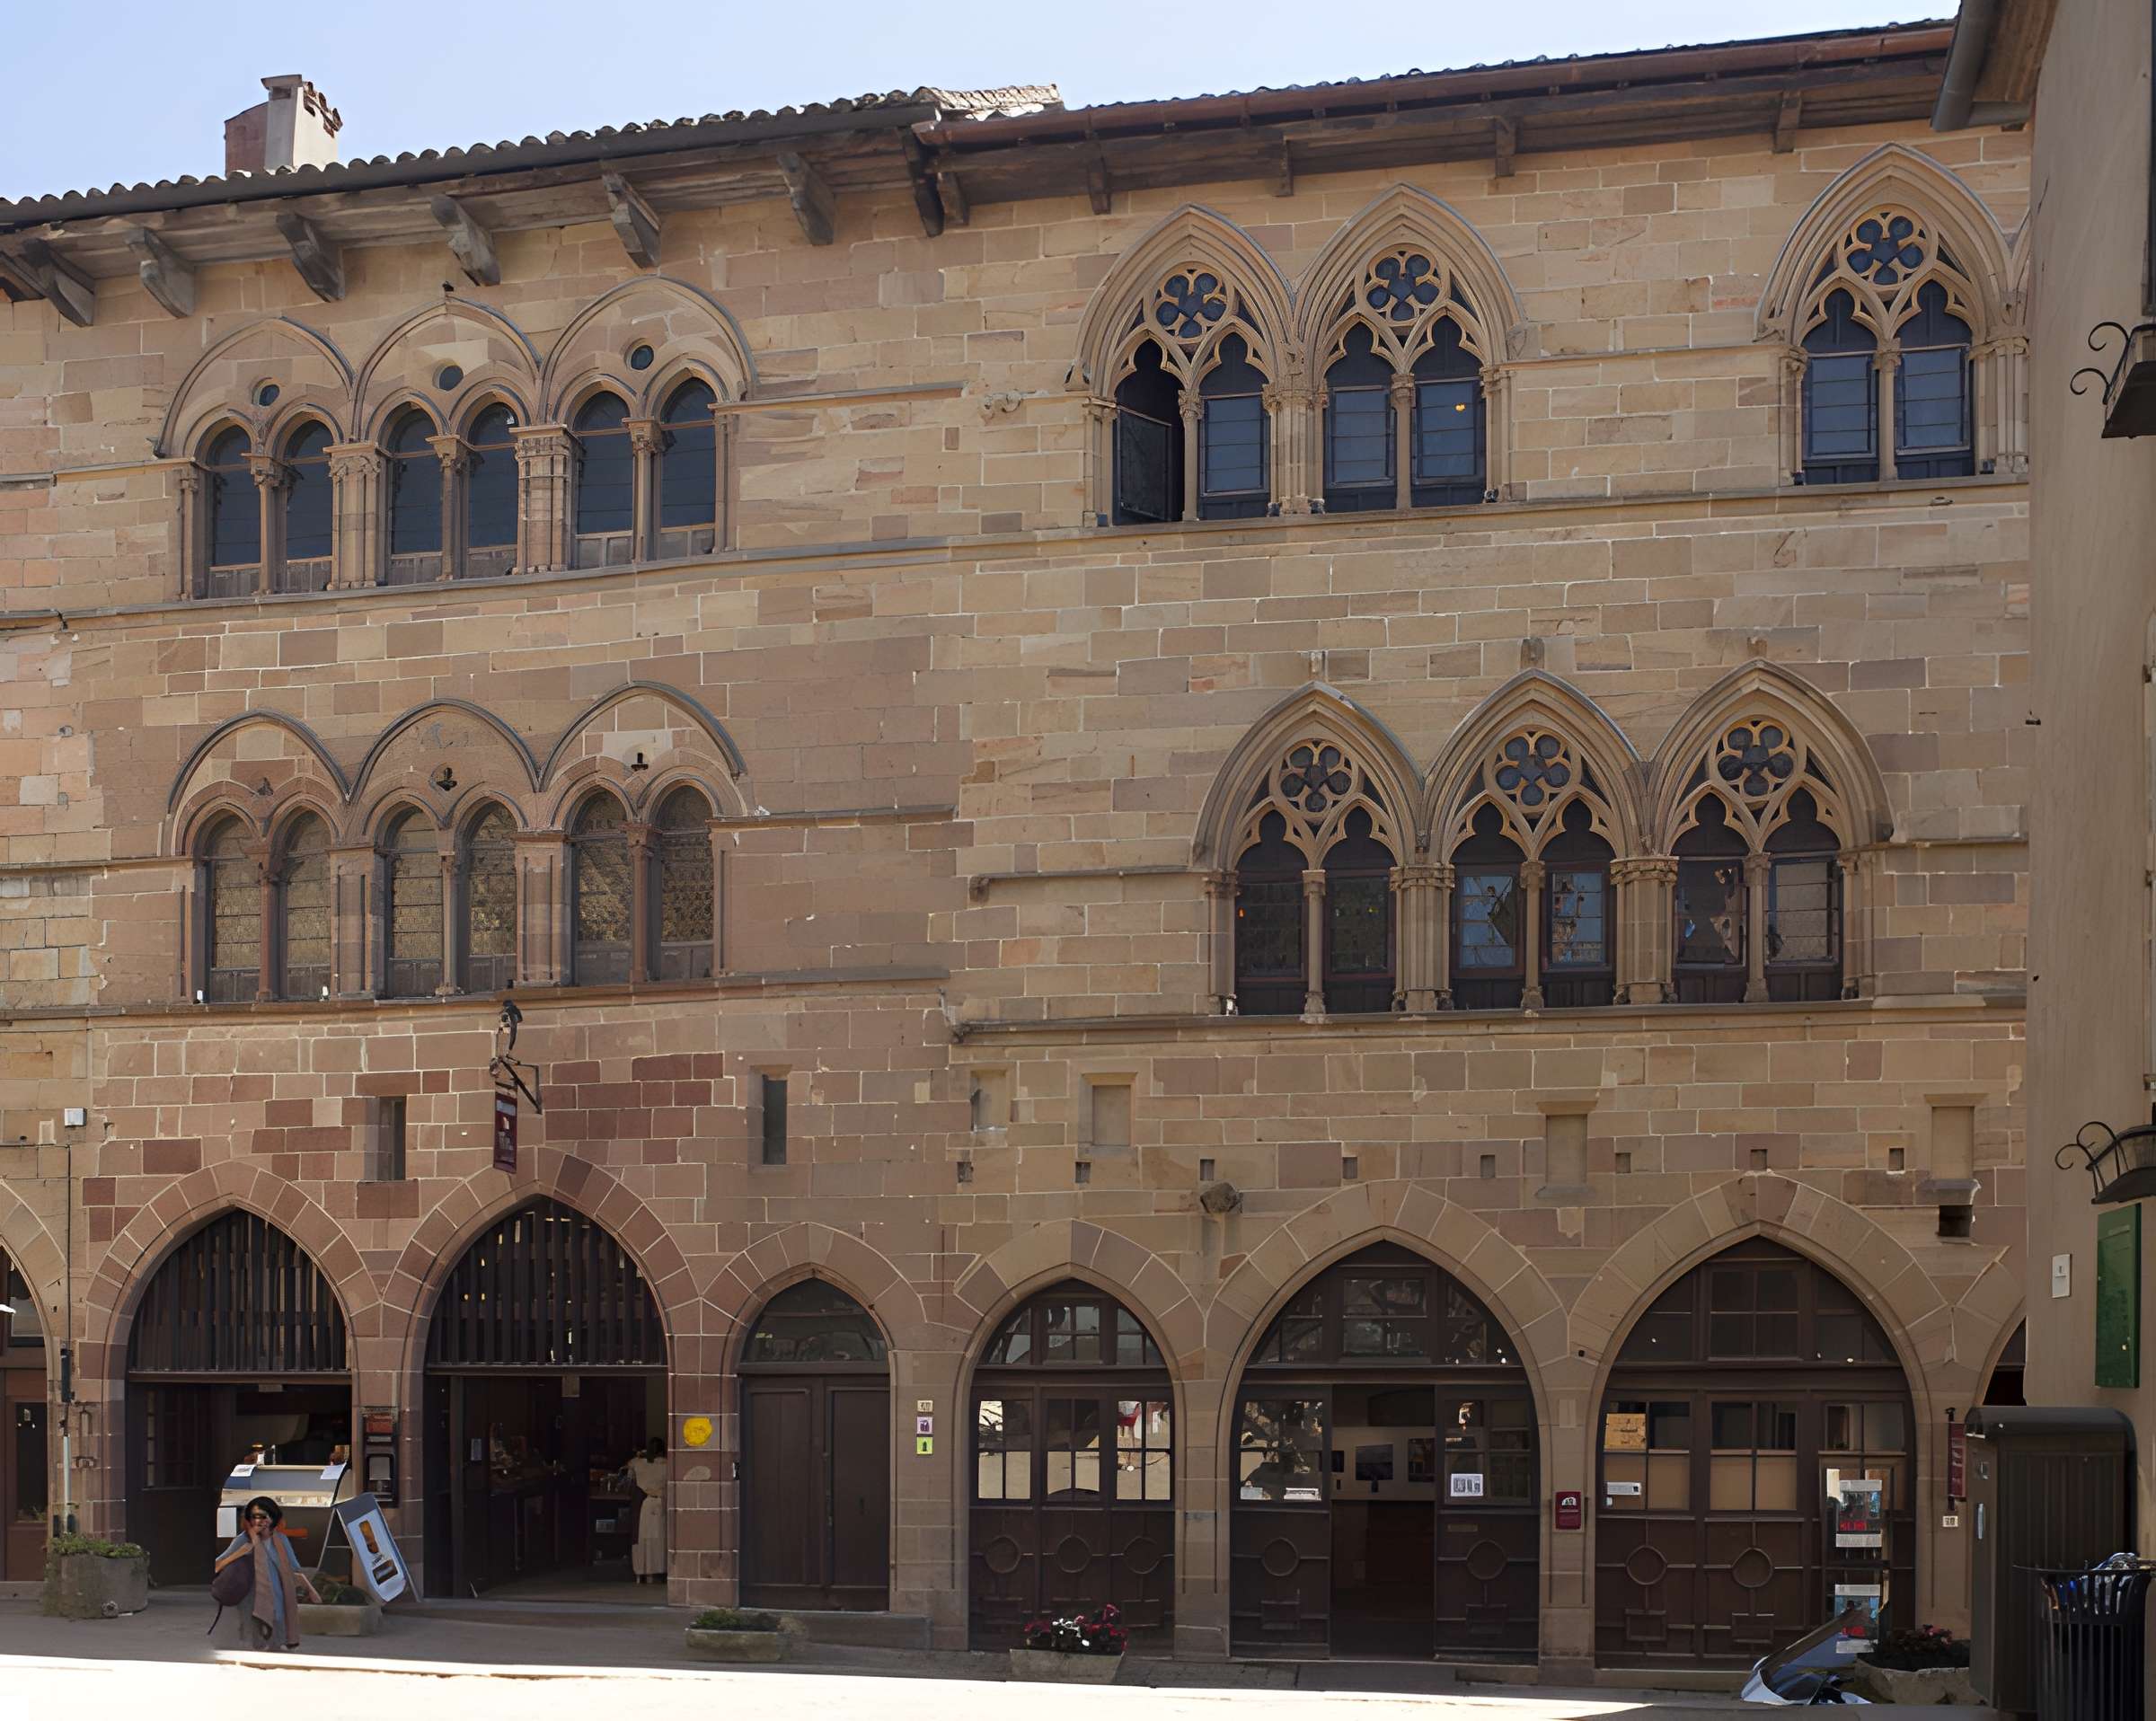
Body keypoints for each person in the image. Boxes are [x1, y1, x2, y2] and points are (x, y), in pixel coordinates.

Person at [214, 1496, 320, 1650]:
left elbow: (293, 1569)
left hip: (277, 1596)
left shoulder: (281, 1540)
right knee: (255, 1639)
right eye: (254, 1516)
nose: (259, 1521)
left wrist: (310, 1590)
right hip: (251, 1598)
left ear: (272, 1518)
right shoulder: (243, 1540)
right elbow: (218, 1565)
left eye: (263, 1516)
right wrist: (241, 1552)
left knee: (277, 1633)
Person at [626, 1436, 667, 1584]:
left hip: (646, 1504)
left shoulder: (640, 1464)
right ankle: (658, 1570)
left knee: (645, 1540)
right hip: (661, 1503)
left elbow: (629, 1465)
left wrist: (641, 1455)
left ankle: (643, 1571)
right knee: (659, 1540)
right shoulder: (667, 1465)